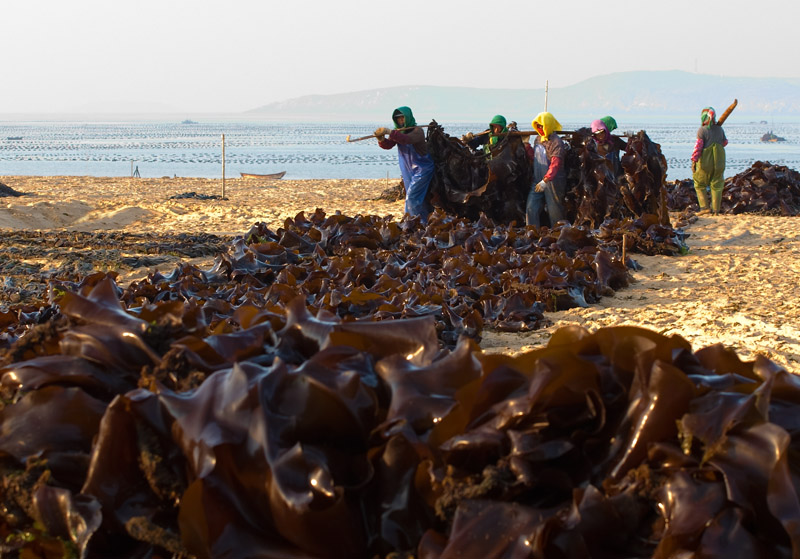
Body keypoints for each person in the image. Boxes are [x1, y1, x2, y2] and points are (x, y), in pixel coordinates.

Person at [374, 106, 435, 222]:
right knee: (420, 199)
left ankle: (410, 222)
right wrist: (381, 139)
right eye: (398, 119)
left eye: (403, 119)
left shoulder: (417, 131)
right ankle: (424, 222)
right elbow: (388, 145)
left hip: (423, 169)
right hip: (407, 170)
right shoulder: (398, 133)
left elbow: (407, 139)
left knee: (412, 197)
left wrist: (390, 132)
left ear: (408, 118)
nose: (401, 121)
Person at [525, 112, 567, 227]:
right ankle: (532, 233)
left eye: (542, 126)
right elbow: (534, 157)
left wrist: (546, 180)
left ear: (548, 125)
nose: (539, 129)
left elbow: (556, 163)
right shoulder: (538, 139)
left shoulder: (556, 142)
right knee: (531, 208)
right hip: (537, 180)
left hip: (553, 182)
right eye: (537, 126)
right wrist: (527, 146)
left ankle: (559, 234)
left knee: (554, 210)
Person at [690, 106, 728, 215]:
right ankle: (716, 210)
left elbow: (698, 148)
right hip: (719, 161)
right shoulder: (720, 129)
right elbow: (724, 142)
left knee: (699, 183)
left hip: (705, 162)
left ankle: (705, 208)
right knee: (717, 184)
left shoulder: (702, 130)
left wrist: (694, 161)